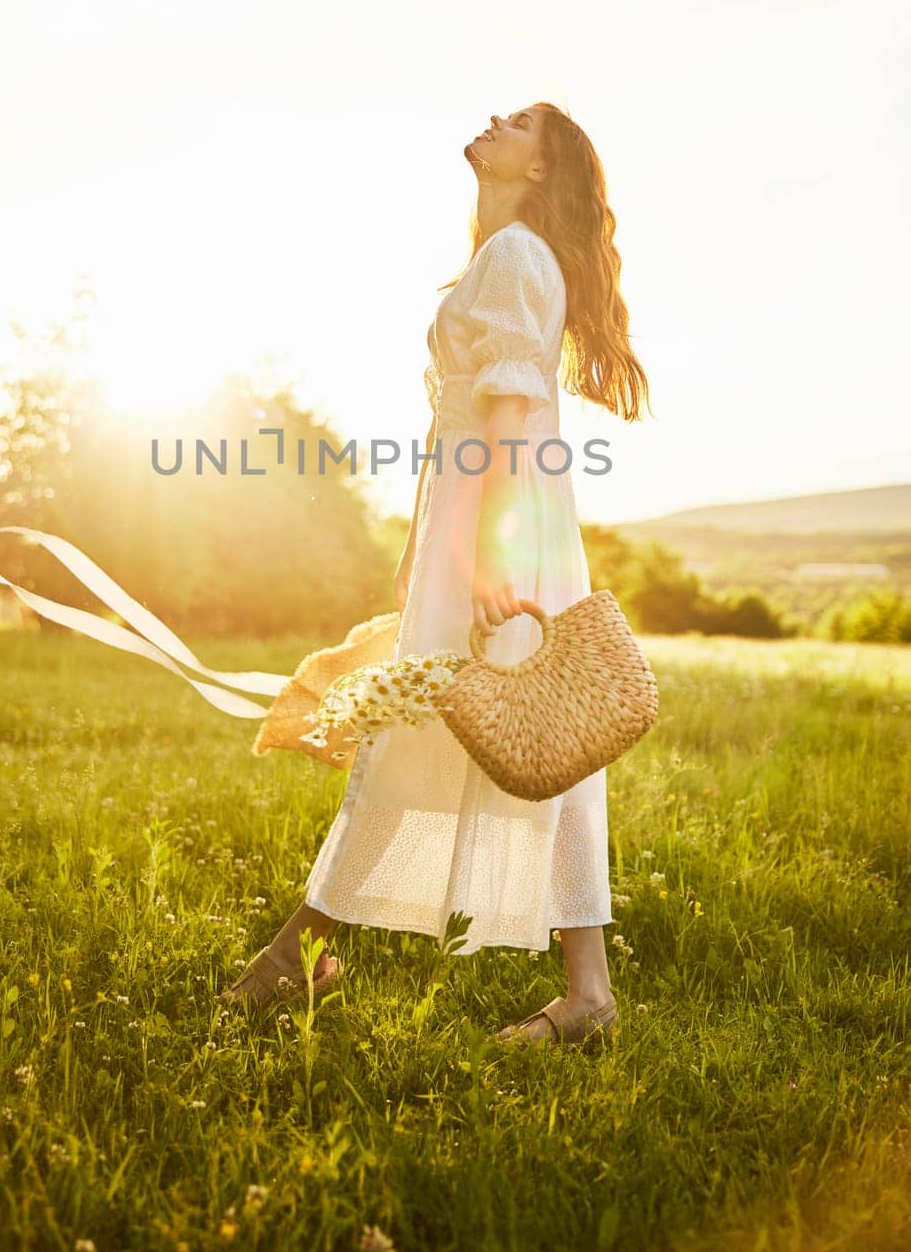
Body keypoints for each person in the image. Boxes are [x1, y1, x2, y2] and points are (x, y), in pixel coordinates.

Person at [222, 101, 652, 1048]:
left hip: (500, 518)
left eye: (520, 123)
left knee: (478, 728)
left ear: (542, 169)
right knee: (491, 728)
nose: (494, 119)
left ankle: (301, 954)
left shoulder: (514, 258)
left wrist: (491, 548)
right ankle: (582, 995)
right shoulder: (510, 257)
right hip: (492, 514)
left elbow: (507, 411)